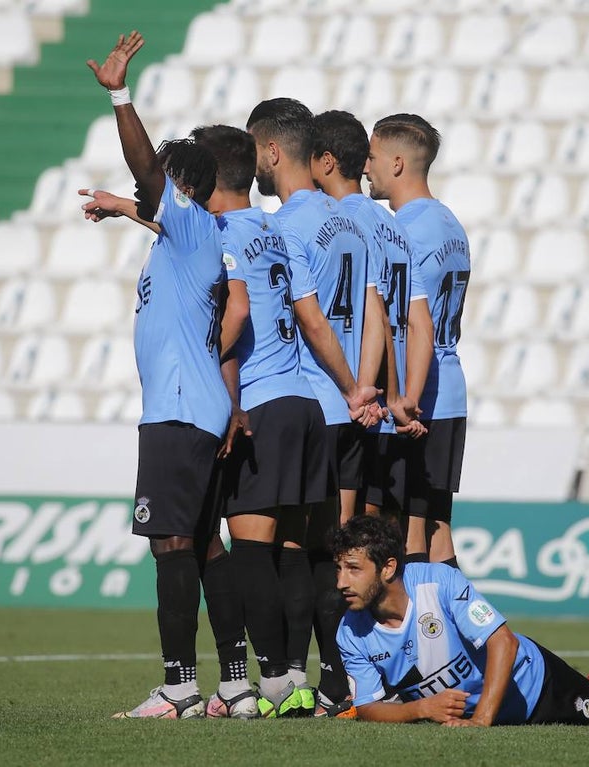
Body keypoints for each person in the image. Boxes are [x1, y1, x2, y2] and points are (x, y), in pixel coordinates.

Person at [79, 31, 249, 721]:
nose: (149, 190)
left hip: (178, 410)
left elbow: (146, 170)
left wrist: (120, 95)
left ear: (182, 188)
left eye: (161, 186)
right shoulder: (189, 238)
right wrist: (124, 209)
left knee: (171, 545)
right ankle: (235, 684)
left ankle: (179, 686)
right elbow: (150, 204)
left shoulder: (189, 223)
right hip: (196, 406)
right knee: (206, 544)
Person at [188, 123, 378, 719]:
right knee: (297, 550)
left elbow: (235, 314)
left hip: (264, 403)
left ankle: (270, 681)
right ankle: (298, 677)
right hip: (306, 404)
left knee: (251, 552)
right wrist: (351, 387)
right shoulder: (276, 230)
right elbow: (312, 318)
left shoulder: (219, 233)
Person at [245, 97, 384, 717]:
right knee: (333, 550)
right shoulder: (350, 220)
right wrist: (367, 388)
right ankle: (339, 678)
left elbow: (309, 319)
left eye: (254, 150)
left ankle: (298, 681)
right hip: (351, 408)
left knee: (297, 552)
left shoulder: (287, 227)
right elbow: (376, 312)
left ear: (272, 151)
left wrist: (349, 387)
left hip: (315, 399)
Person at [331, 515, 589, 727]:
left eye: (353, 569)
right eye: (339, 569)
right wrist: (420, 709)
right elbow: (368, 707)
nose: (341, 582)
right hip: (474, 710)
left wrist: (481, 720)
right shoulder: (350, 632)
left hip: (531, 686)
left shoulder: (437, 583)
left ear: (388, 568)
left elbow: (503, 641)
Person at [309, 110, 433, 521]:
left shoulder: (341, 220)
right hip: (383, 398)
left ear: (325, 160)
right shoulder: (393, 225)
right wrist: (399, 395)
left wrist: (380, 393)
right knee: (381, 529)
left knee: (342, 533)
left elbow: (376, 311)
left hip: (360, 399)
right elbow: (416, 320)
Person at [364, 114, 471, 566]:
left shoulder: (404, 231)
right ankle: (459, 613)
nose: (365, 167)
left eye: (371, 157)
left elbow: (405, 321)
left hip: (416, 398)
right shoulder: (451, 224)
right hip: (449, 389)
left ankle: (425, 614)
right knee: (437, 531)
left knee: (404, 537)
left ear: (397, 163)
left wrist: (400, 397)